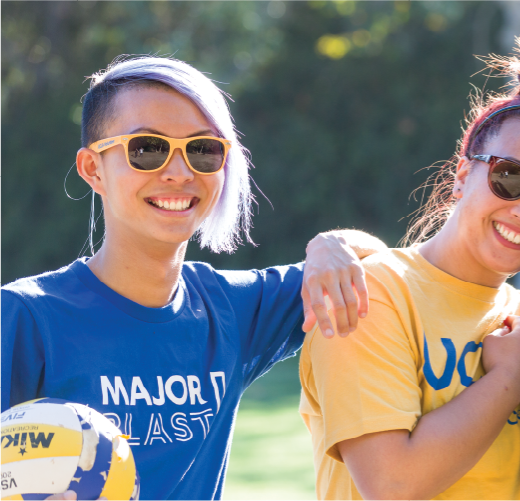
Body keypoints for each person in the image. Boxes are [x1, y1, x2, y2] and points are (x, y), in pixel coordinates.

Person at [0, 56, 385, 501]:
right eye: (147, 148)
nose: (180, 172)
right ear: (92, 169)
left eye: (204, 149)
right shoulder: (25, 316)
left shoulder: (235, 310)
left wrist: (329, 245)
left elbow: (379, 263)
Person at [297, 42, 520, 501]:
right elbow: (393, 483)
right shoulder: (371, 291)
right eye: (510, 177)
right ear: (461, 175)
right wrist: (508, 379)